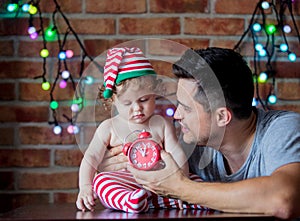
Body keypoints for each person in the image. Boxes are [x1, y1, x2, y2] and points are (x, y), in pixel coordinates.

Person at [103, 47, 300, 220]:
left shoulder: (282, 129)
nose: (176, 114)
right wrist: (115, 166)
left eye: (186, 108)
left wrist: (180, 188)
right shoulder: (191, 145)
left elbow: (283, 200)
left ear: (222, 117)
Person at [76, 47, 205, 213]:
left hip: (161, 180)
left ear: (155, 93)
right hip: (125, 180)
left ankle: (185, 200)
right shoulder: (108, 127)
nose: (137, 108)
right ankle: (130, 201)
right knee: (101, 181)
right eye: (127, 103)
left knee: (197, 182)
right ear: (113, 100)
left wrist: (182, 183)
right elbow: (91, 157)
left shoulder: (161, 123)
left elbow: (176, 153)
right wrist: (85, 186)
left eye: (144, 100)